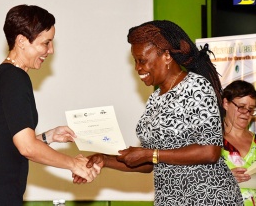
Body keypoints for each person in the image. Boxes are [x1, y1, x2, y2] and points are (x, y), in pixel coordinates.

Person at [73, 20, 243, 205]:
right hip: (171, 199)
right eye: (135, 61)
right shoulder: (156, 98)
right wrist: (104, 160)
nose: (137, 68)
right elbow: (148, 162)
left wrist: (150, 154)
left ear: (167, 56)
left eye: (142, 60)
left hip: (208, 198)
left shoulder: (196, 86)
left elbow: (210, 151)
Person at [0, 4, 100, 206]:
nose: (51, 50)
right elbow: (26, 147)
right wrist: (73, 164)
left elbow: (9, 143)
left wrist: (48, 136)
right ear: (22, 41)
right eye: (46, 43)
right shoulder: (14, 78)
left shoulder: (8, 75)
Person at [221, 80, 256, 206]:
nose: (246, 113)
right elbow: (193, 179)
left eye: (251, 109)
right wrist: (222, 179)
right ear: (226, 103)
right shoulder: (211, 143)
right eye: (241, 107)